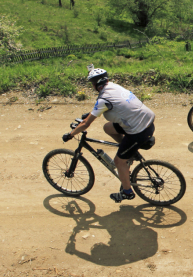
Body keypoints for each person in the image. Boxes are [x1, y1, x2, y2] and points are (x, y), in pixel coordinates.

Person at [62, 65, 156, 203]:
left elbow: (85, 124)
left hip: (139, 130)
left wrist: (70, 134)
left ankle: (127, 192)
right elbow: (112, 106)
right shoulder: (113, 87)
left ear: (95, 84)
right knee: (108, 127)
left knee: (118, 162)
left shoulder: (103, 99)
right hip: (146, 120)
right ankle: (129, 152)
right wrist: (88, 115)